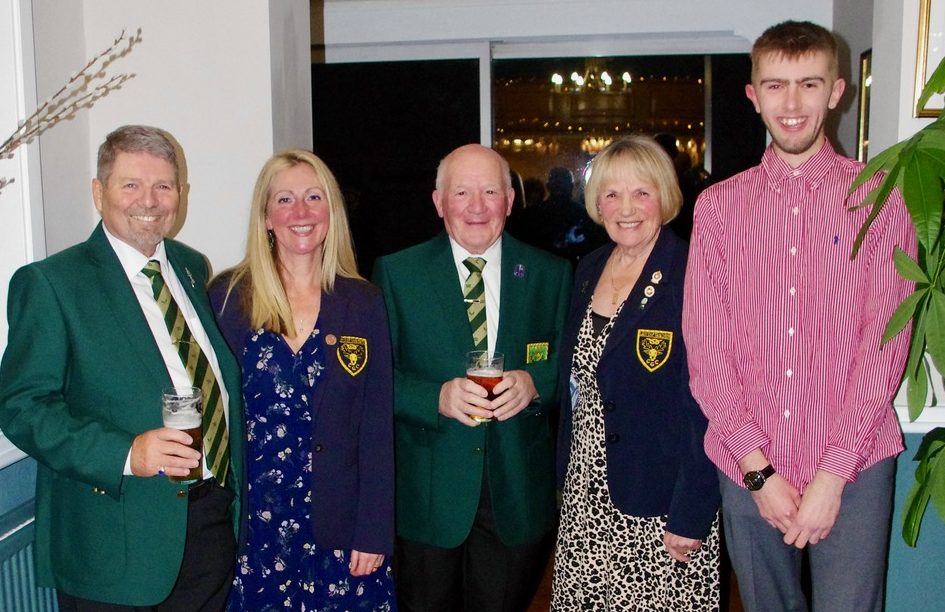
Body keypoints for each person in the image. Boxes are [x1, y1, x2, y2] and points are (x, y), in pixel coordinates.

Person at [682, 21, 916, 612]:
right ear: (753, 95)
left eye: (809, 84)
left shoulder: (880, 196)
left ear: (836, 91)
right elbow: (708, 355)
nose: (791, 104)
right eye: (775, 85)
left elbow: (884, 344)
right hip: (749, 462)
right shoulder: (718, 209)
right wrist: (759, 473)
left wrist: (833, 475)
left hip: (856, 463)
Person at [0, 125, 244, 609]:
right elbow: (22, 407)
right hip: (116, 544)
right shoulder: (52, 284)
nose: (148, 201)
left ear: (180, 194)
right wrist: (127, 453)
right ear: (99, 192)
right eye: (131, 184)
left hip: (209, 523)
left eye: (163, 186)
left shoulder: (191, 267)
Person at [372, 144, 572, 612]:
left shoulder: (550, 273)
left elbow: (573, 364)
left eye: (490, 192)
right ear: (439, 202)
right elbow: (375, 379)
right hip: (427, 493)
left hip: (516, 493)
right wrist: (434, 397)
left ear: (510, 199)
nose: (477, 206)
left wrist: (535, 383)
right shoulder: (397, 273)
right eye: (462, 192)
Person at [209, 150, 396, 610]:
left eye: (314, 197)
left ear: (331, 212)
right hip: (254, 530)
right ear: (266, 217)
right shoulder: (227, 299)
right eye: (285, 199)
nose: (301, 212)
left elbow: (376, 426)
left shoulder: (363, 303)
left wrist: (373, 529)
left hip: (341, 529)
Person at [552, 135, 720, 610]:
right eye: (612, 194)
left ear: (664, 196)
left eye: (641, 192)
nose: (626, 209)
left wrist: (692, 509)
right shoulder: (589, 268)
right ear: (597, 203)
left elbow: (710, 403)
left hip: (660, 501)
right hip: (586, 493)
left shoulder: (692, 271)